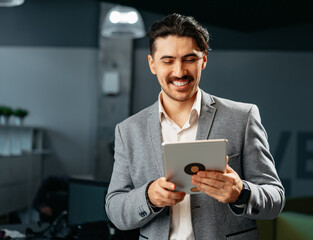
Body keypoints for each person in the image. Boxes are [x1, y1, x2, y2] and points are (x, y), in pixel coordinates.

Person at [105, 13, 285, 240]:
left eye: (189, 59)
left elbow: (275, 198)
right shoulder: (128, 130)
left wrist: (241, 193)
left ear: (204, 60)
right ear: (152, 64)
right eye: (168, 60)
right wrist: (148, 196)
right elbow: (114, 209)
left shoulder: (242, 117)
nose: (179, 72)